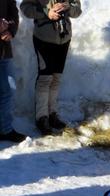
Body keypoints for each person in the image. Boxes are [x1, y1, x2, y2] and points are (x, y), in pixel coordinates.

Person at [20, 0, 82, 135]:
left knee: (56, 78)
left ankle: (52, 113)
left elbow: (77, 10)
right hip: (44, 38)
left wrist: (67, 7)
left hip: (64, 38)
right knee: (45, 78)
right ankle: (42, 117)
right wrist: (46, 12)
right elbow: (25, 7)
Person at [0, 0, 27, 143]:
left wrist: (10, 29)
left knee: (6, 92)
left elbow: (13, 13)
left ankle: (4, 130)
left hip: (3, 50)